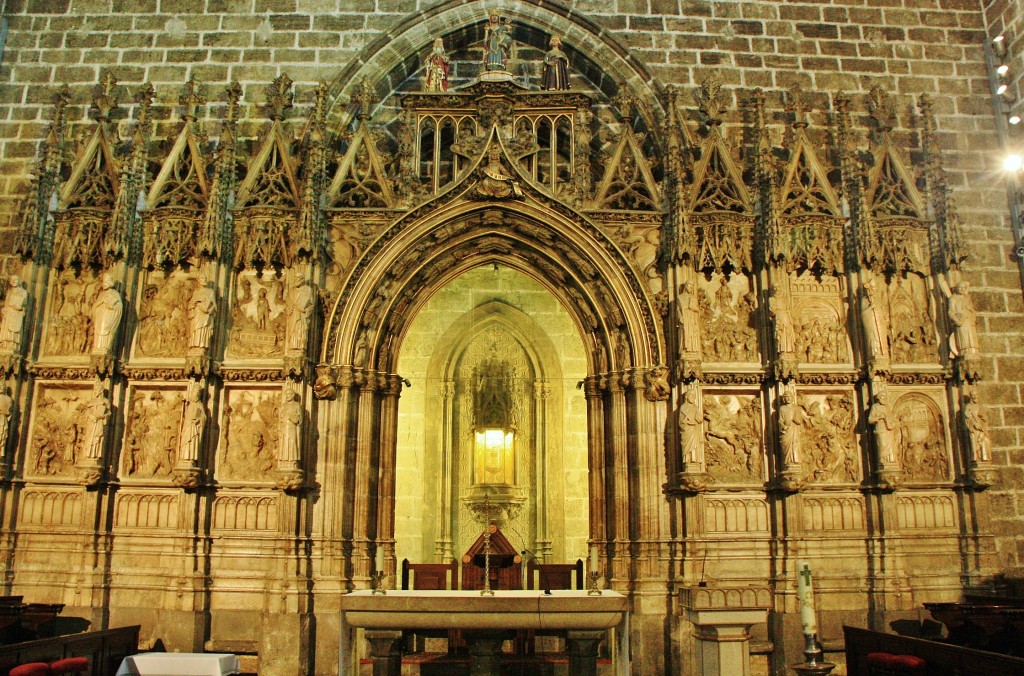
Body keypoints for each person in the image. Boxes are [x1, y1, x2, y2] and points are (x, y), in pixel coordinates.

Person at [90, 273, 122, 356]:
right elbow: (95, 305)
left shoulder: (115, 294)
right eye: (103, 282)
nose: (104, 284)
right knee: (98, 330)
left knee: (106, 330)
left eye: (106, 282)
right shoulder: (101, 294)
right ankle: (97, 347)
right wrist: (100, 303)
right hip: (100, 316)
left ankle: (105, 347)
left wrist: (111, 307)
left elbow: (119, 307)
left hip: (108, 316)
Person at [188, 275, 216, 354]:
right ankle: (194, 346)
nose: (204, 280)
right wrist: (193, 304)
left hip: (205, 314)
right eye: (202, 278)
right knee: (195, 328)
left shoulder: (210, 291)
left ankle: (201, 346)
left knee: (203, 328)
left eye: (205, 278)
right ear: (198, 280)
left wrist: (208, 309)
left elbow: (214, 304)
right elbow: (191, 303)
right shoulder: (196, 291)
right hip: (197, 312)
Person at [179, 387, 207, 466]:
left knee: (192, 442)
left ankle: (191, 459)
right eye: (194, 394)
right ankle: (184, 457)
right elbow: (185, 418)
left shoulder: (200, 405)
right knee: (185, 442)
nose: (196, 395)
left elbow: (204, 417)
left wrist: (198, 420)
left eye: (197, 394)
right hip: (187, 426)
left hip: (194, 427)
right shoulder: (189, 405)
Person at [0, 275, 28, 356]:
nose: (13, 281)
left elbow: (24, 304)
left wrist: (18, 307)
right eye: (12, 280)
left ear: (19, 281)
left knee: (14, 330)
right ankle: (5, 344)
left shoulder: (23, 292)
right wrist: (4, 310)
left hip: (16, 313)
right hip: (9, 312)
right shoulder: (9, 292)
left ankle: (13, 345)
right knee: (6, 329)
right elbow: (6, 303)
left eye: (15, 280)